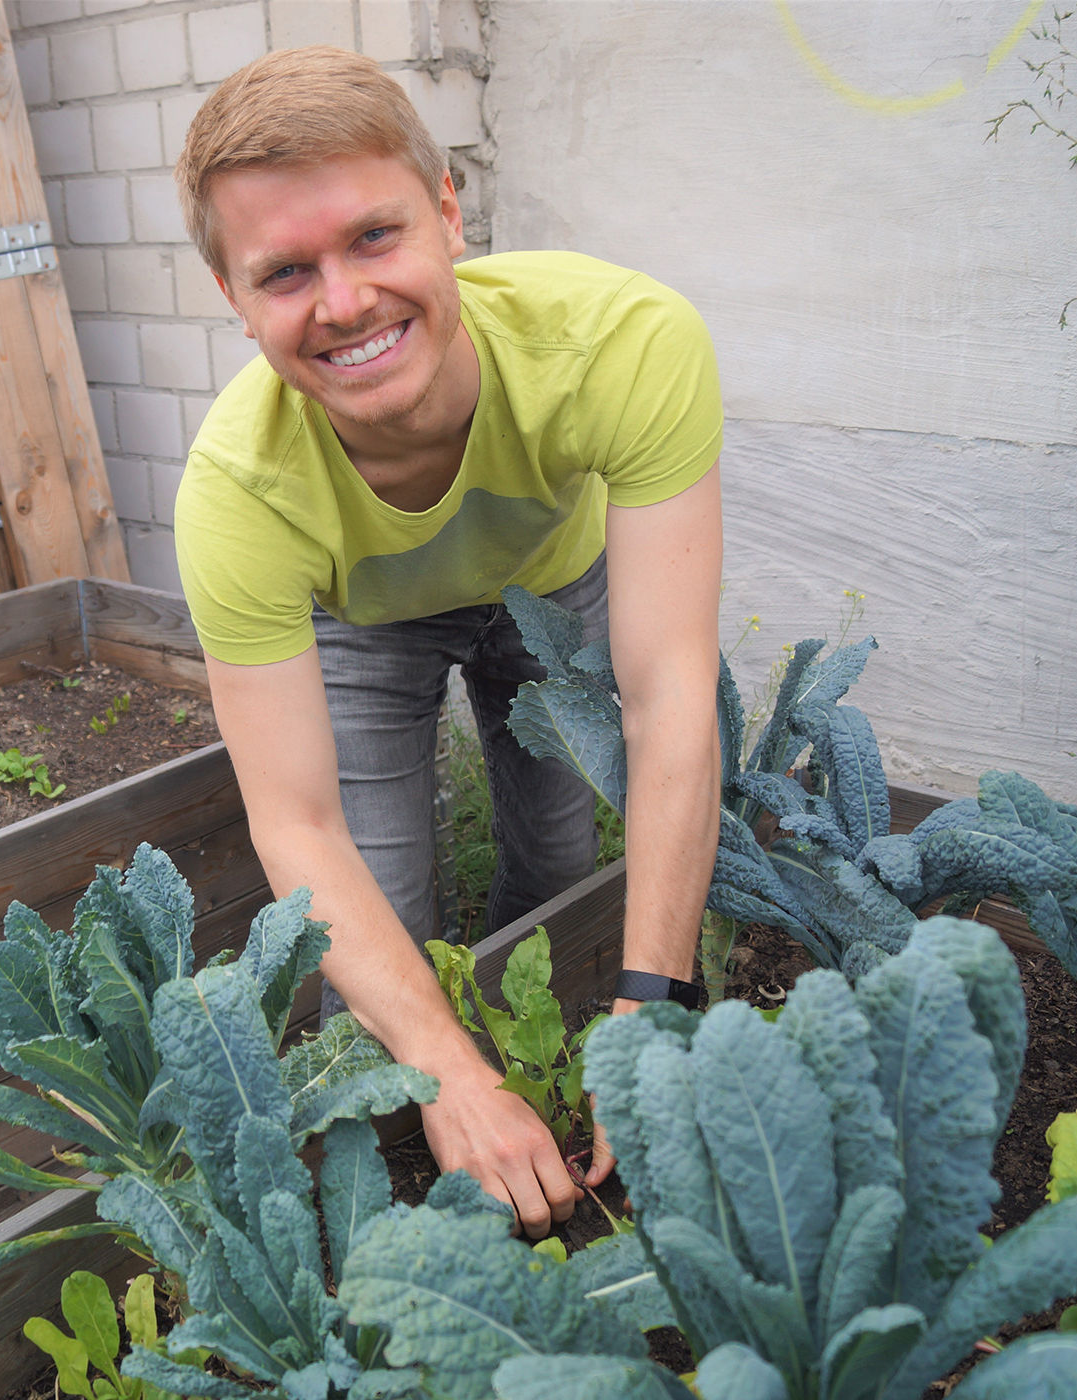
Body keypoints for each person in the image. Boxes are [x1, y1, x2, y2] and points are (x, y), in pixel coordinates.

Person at [171, 46, 723, 1239]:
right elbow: (296, 824)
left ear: (447, 213)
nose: (343, 302)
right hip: (364, 617)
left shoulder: (623, 342)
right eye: (285, 272)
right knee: (374, 933)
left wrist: (652, 997)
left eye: (374, 236)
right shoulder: (236, 491)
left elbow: (668, 692)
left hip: (547, 575)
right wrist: (444, 1075)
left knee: (559, 851)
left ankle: (541, 1050)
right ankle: (421, 1164)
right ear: (232, 296)